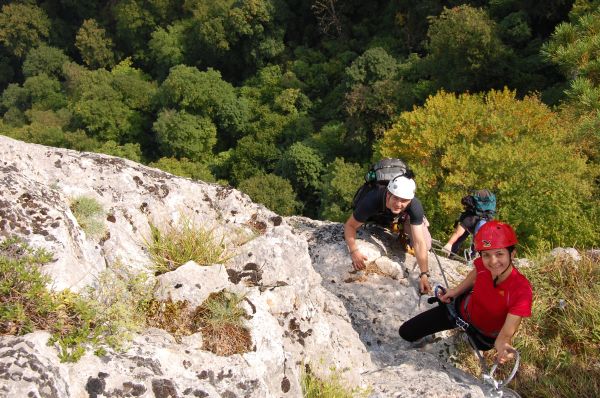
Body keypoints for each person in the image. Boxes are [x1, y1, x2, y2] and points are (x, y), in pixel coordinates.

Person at [399, 220, 532, 364]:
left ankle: (465, 339)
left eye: (499, 254)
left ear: (512, 254)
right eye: (486, 255)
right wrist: (455, 292)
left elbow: (505, 335)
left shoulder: (521, 291)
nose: (493, 261)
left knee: (479, 344)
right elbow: (476, 274)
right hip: (460, 312)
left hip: (482, 335)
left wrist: (503, 347)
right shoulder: (483, 265)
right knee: (406, 332)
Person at [344, 175, 433, 294]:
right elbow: (350, 226)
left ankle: (400, 225)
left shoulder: (415, 206)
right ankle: (390, 223)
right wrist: (354, 251)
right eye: (395, 198)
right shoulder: (373, 199)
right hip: (377, 216)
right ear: (388, 194)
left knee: (427, 245)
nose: (399, 203)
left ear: (410, 200)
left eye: (404, 200)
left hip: (401, 217)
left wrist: (424, 274)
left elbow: (419, 242)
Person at [442, 189, 495, 257]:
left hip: (470, 222)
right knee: (476, 240)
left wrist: (449, 244)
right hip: (482, 224)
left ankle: (451, 253)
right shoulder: (488, 211)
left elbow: (457, 233)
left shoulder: (468, 217)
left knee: (459, 238)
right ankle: (472, 257)